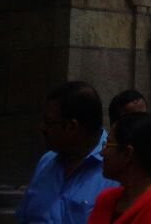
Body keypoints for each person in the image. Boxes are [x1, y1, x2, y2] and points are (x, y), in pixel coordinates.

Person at [17, 81, 118, 223]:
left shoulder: (117, 172)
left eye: (49, 122)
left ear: (72, 126)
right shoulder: (46, 162)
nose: (42, 128)